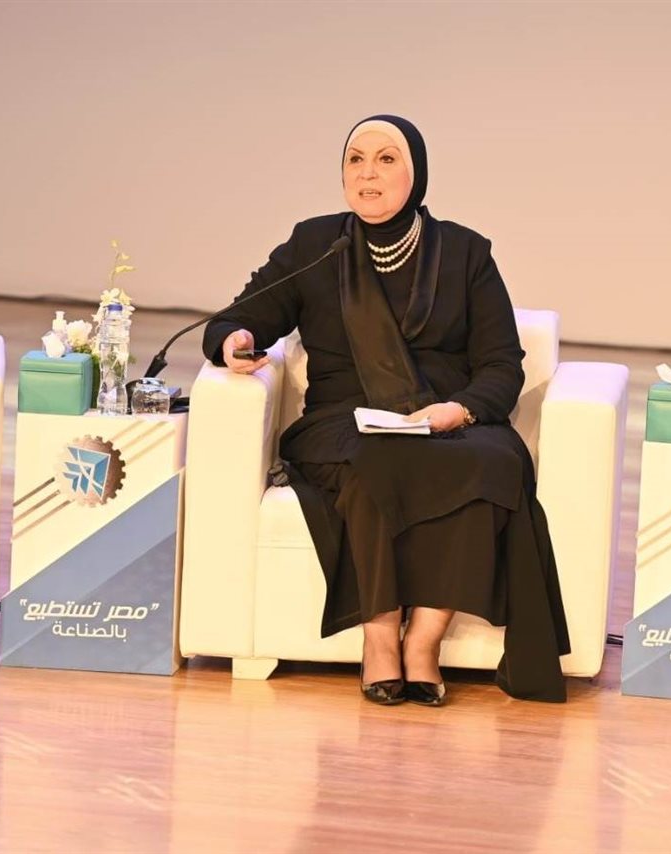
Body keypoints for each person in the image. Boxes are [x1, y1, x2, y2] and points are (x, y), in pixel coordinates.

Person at [203, 115, 570, 704]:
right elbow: (241, 316)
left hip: (445, 417)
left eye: (386, 159)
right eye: (355, 159)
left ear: (415, 172)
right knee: (375, 459)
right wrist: (234, 340)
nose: (367, 173)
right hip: (345, 419)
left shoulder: (466, 253)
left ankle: (423, 640)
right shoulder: (315, 244)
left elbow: (502, 363)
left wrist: (461, 410)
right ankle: (379, 637)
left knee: (492, 464)